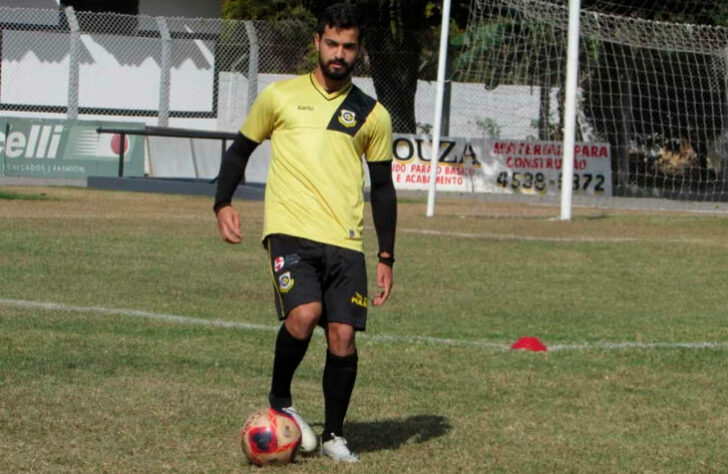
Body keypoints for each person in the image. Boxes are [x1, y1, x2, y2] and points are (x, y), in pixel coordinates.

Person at [213, 3, 397, 463]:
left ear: (359, 51)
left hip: (345, 240)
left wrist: (387, 256)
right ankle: (280, 401)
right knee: (303, 314)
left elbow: (383, 188)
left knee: (342, 337)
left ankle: (335, 435)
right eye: (331, 43)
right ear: (316, 42)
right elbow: (239, 152)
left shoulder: (372, 114)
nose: (339, 53)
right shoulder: (279, 97)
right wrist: (223, 203)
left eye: (348, 47)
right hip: (290, 231)